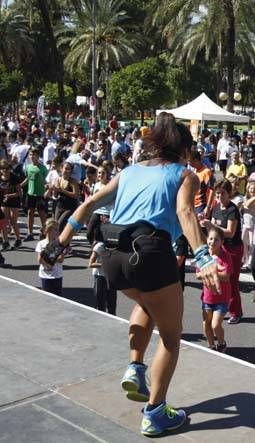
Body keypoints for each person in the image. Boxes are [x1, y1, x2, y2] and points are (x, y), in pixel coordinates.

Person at [52, 112, 220, 436]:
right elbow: (185, 212)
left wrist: (59, 243)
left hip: (113, 259)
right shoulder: (186, 175)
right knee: (171, 338)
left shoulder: (129, 171)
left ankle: (135, 366)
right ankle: (156, 412)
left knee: (146, 302)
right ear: (183, 148)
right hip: (151, 255)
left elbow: (87, 205)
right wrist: (204, 257)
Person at [202, 179, 244, 324]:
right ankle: (223, 308)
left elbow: (230, 232)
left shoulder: (232, 210)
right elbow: (214, 231)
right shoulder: (216, 208)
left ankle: (236, 312)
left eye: (222, 193)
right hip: (219, 247)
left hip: (233, 248)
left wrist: (211, 225)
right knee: (218, 278)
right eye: (217, 194)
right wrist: (206, 225)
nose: (219, 196)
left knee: (231, 281)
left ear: (229, 193)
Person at [200, 227, 232, 352]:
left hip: (221, 298)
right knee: (206, 324)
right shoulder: (204, 256)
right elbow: (198, 274)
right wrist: (212, 271)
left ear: (222, 242)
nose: (212, 242)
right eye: (211, 238)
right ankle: (211, 345)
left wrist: (212, 271)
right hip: (207, 298)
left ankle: (222, 342)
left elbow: (226, 276)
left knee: (215, 324)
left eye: (216, 240)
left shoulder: (225, 256)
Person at [21, 148, 48, 241]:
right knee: (30, 213)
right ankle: (30, 233)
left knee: (42, 214)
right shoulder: (28, 167)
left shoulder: (43, 168)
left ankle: (45, 233)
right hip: (30, 193)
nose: (32, 156)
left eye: (34, 155)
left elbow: (46, 181)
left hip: (40, 194)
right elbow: (28, 178)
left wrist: (47, 189)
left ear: (38, 156)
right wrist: (19, 185)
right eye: (31, 155)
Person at [36, 219, 64, 295]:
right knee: (47, 297)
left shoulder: (58, 243)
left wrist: (47, 258)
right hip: (45, 275)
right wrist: (48, 263)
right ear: (49, 230)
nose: (58, 232)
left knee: (58, 298)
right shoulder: (41, 244)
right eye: (55, 230)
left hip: (57, 275)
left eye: (58, 230)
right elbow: (39, 260)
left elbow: (61, 259)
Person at [88, 238, 117, 314]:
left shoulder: (116, 244)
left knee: (112, 305)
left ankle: (112, 323)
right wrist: (105, 264)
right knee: (100, 305)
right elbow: (90, 264)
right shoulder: (100, 246)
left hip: (111, 277)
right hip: (100, 277)